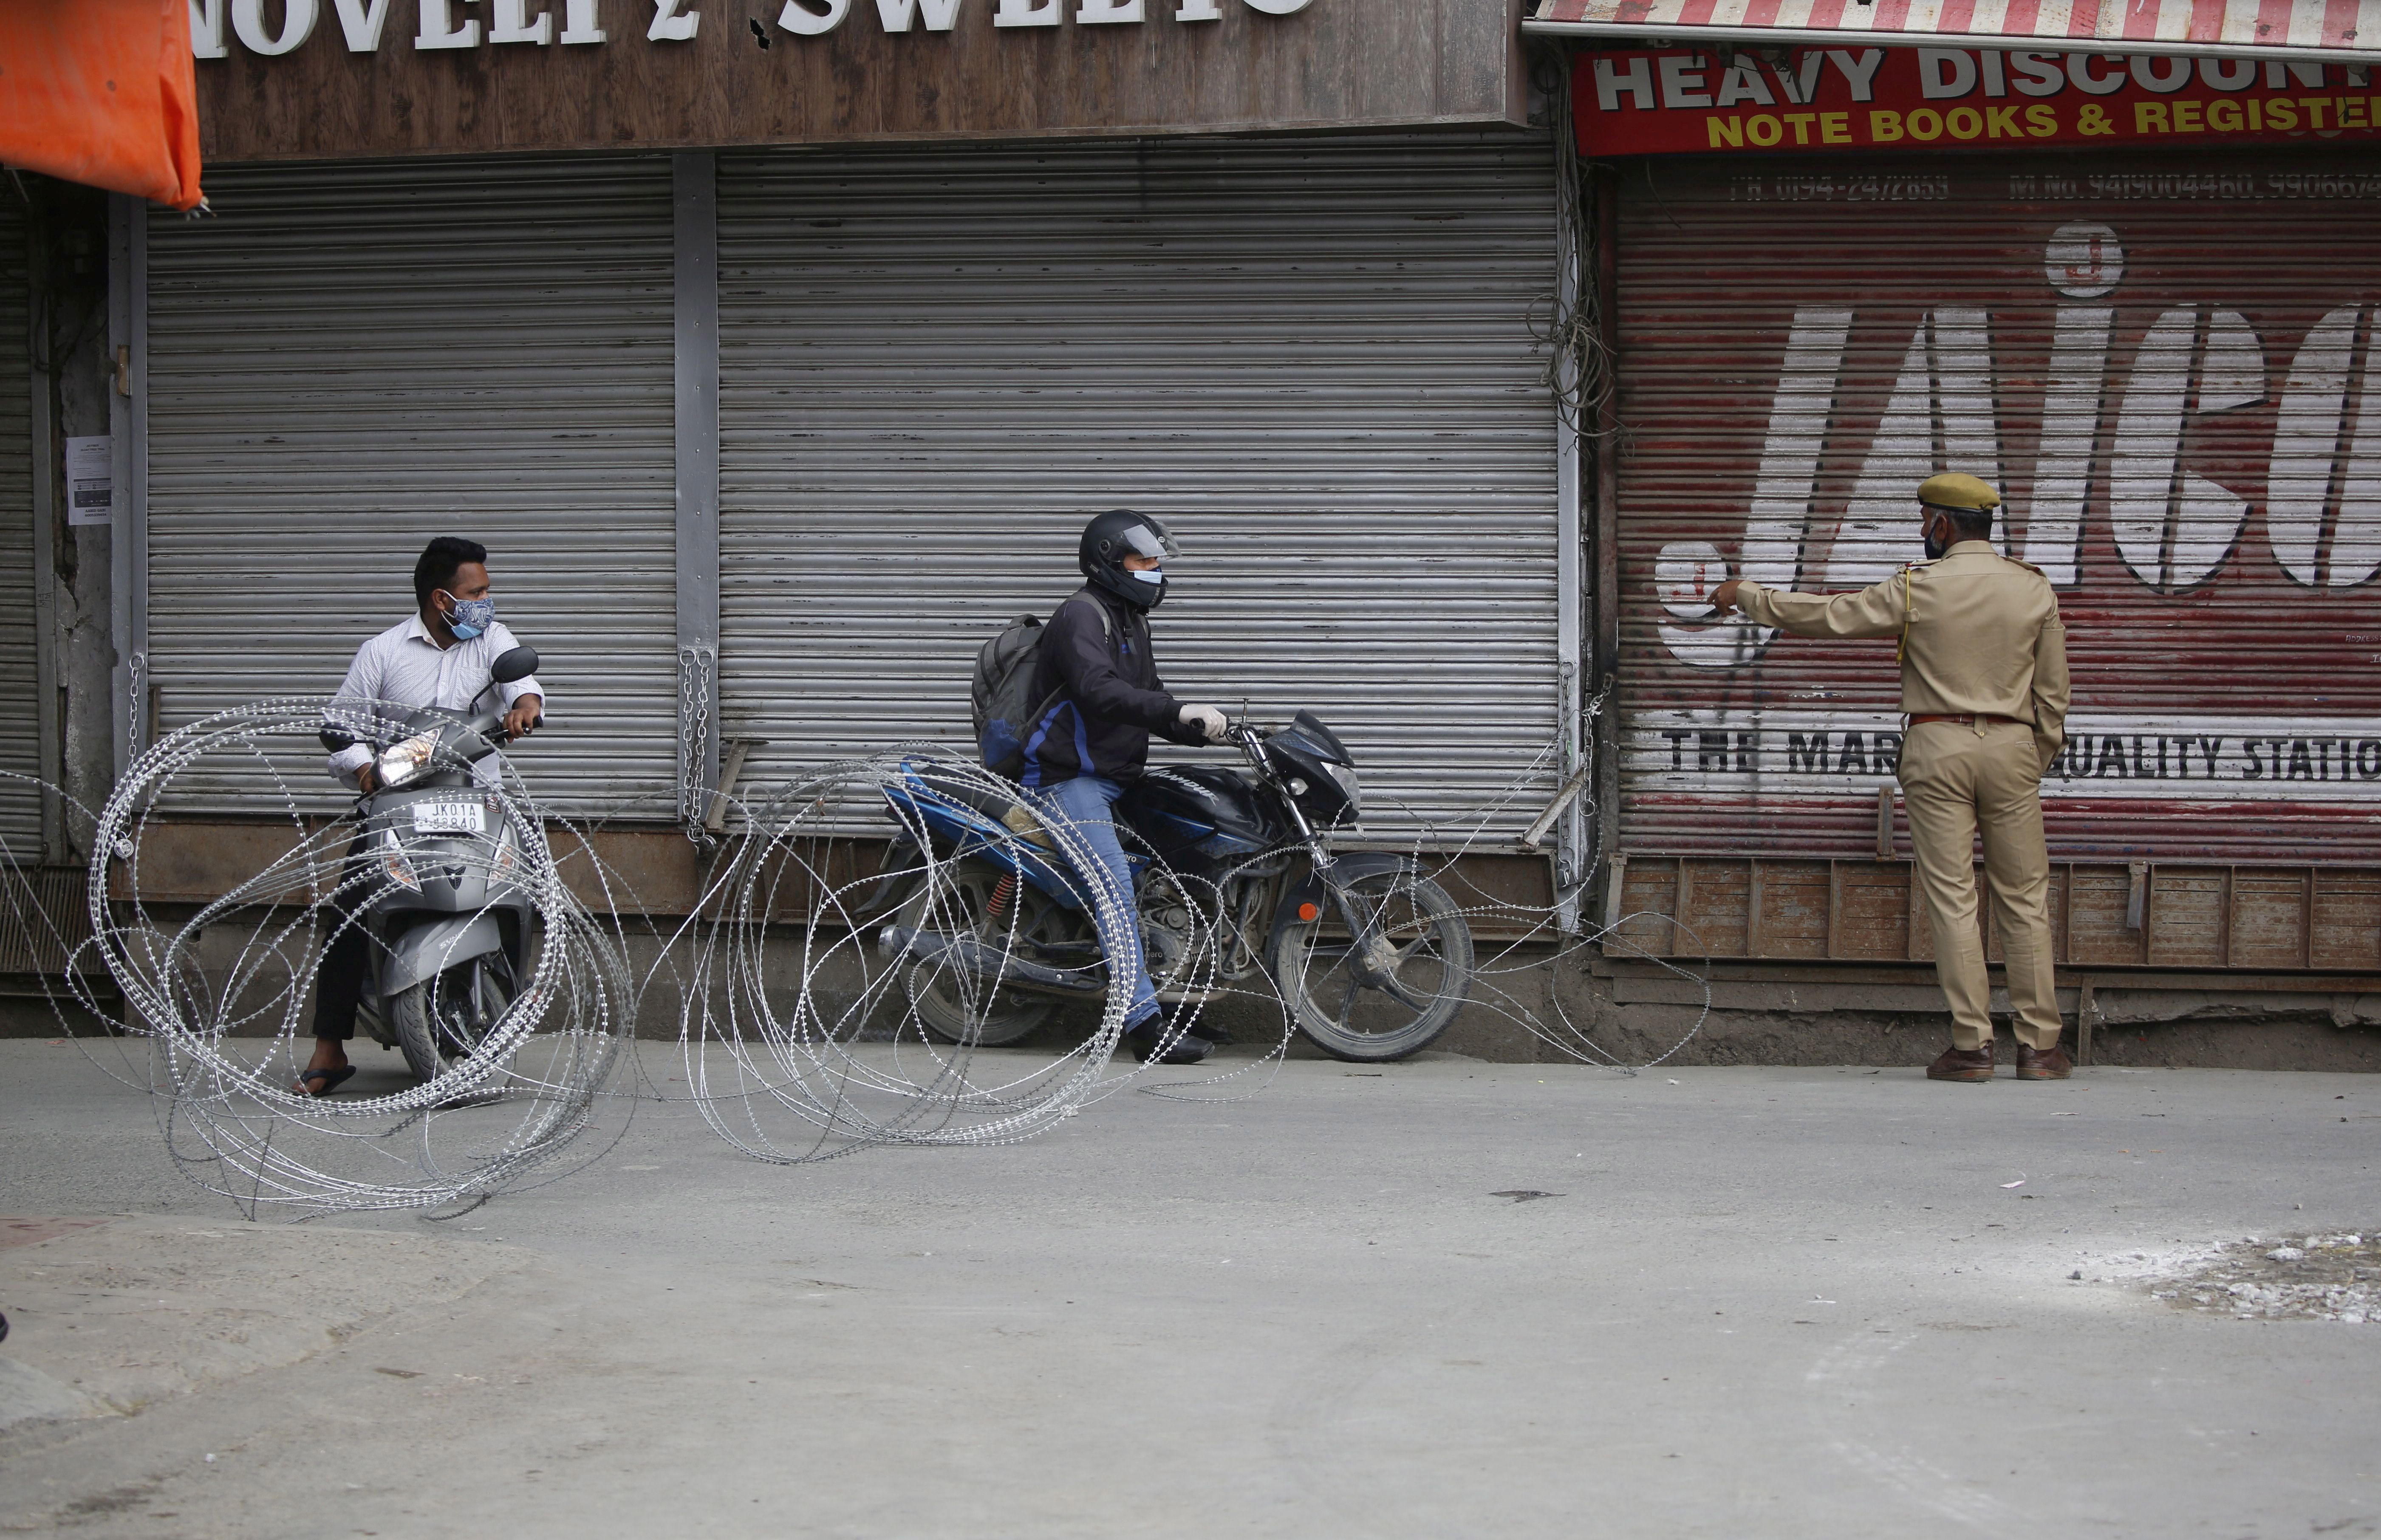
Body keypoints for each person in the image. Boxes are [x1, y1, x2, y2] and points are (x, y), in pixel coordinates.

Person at [1708, 474, 2073, 1083]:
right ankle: (2039, 1049)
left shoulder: (1917, 589)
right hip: (2012, 746)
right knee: (2025, 897)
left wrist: (1747, 594)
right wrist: (2033, 754)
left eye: (1926, 519)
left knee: (1954, 898)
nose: (1922, 530)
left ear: (1944, 525)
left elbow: (1828, 617)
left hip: (1936, 743)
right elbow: (2054, 693)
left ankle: (1973, 1047)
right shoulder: (2034, 590)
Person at [297, 537, 546, 1096]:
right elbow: (340, 723)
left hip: (476, 803)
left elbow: (523, 684)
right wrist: (363, 769)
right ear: (442, 599)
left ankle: (518, 986)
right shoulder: (382, 652)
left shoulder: (491, 640)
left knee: (532, 886)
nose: (486, 600)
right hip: (399, 805)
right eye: (476, 592)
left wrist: (527, 706)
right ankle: (329, 1048)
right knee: (349, 912)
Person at [1023, 510, 1230, 1065]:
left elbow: (1151, 700)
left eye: (1157, 560)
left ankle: (1179, 1004)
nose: (1156, 570)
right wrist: (1174, 708)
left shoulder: (1132, 621)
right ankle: (1143, 1024)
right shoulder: (1079, 616)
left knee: (1185, 859)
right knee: (1114, 888)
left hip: (1119, 779)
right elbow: (1099, 691)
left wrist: (1201, 728)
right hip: (1068, 780)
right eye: (1145, 560)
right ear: (1111, 563)